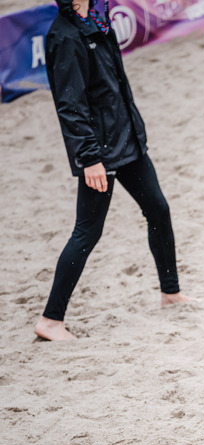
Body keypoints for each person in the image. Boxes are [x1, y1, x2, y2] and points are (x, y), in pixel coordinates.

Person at [35, 0, 190, 341]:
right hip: (100, 153)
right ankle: (50, 321)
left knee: (159, 210)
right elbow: (70, 105)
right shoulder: (65, 36)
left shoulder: (99, 18)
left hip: (127, 141)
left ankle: (171, 293)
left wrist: (135, 133)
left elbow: (113, 86)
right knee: (87, 233)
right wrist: (89, 158)